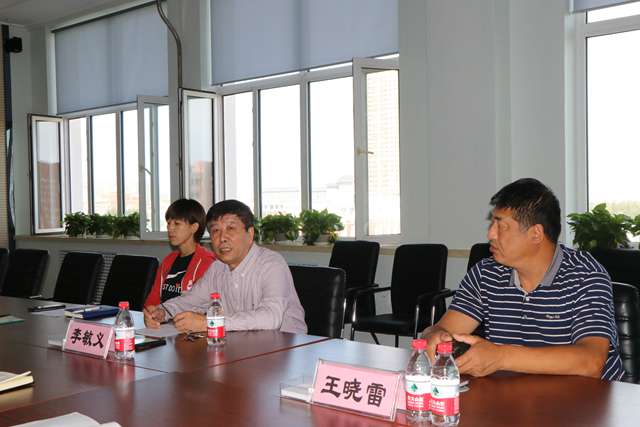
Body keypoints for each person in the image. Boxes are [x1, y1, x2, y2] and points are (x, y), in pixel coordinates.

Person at [422, 178, 623, 381]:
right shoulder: (486, 273)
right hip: (516, 394)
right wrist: (434, 335)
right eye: (492, 223)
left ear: (536, 234)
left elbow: (591, 362)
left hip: (587, 397)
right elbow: (446, 329)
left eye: (501, 226)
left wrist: (501, 357)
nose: (490, 234)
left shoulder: (586, 275)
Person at [144, 199, 307, 334]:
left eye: (231, 228)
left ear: (250, 234)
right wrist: (162, 311)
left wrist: (210, 323)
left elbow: (271, 317)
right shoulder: (217, 268)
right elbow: (191, 300)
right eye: (215, 231)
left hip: (286, 350)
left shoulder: (271, 264)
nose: (222, 238)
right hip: (240, 348)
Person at [143, 199, 216, 307]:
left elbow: (204, 305)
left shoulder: (207, 262)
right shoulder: (168, 260)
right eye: (168, 223)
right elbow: (154, 297)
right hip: (162, 316)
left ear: (194, 227)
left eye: (177, 223)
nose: (170, 228)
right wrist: (149, 311)